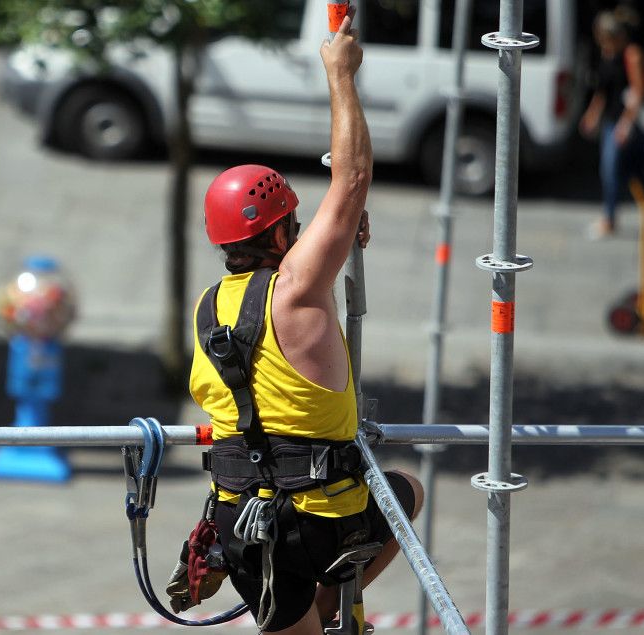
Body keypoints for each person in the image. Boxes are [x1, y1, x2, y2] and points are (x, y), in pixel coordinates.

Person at [186, 11, 422, 635]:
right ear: (280, 232)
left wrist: (334, 239)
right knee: (404, 493)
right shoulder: (294, 290)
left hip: (240, 521)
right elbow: (351, 178)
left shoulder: (209, 305)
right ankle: (328, 602)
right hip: (321, 525)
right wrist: (339, 73)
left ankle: (303, 606)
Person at [580, 10, 644, 239]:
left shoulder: (632, 54)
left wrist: (625, 124)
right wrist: (592, 114)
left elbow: (638, 91)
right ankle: (613, 216)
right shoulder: (606, 54)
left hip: (630, 123)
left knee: (626, 170)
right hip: (611, 121)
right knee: (611, 170)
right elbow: (602, 90)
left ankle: (636, 214)